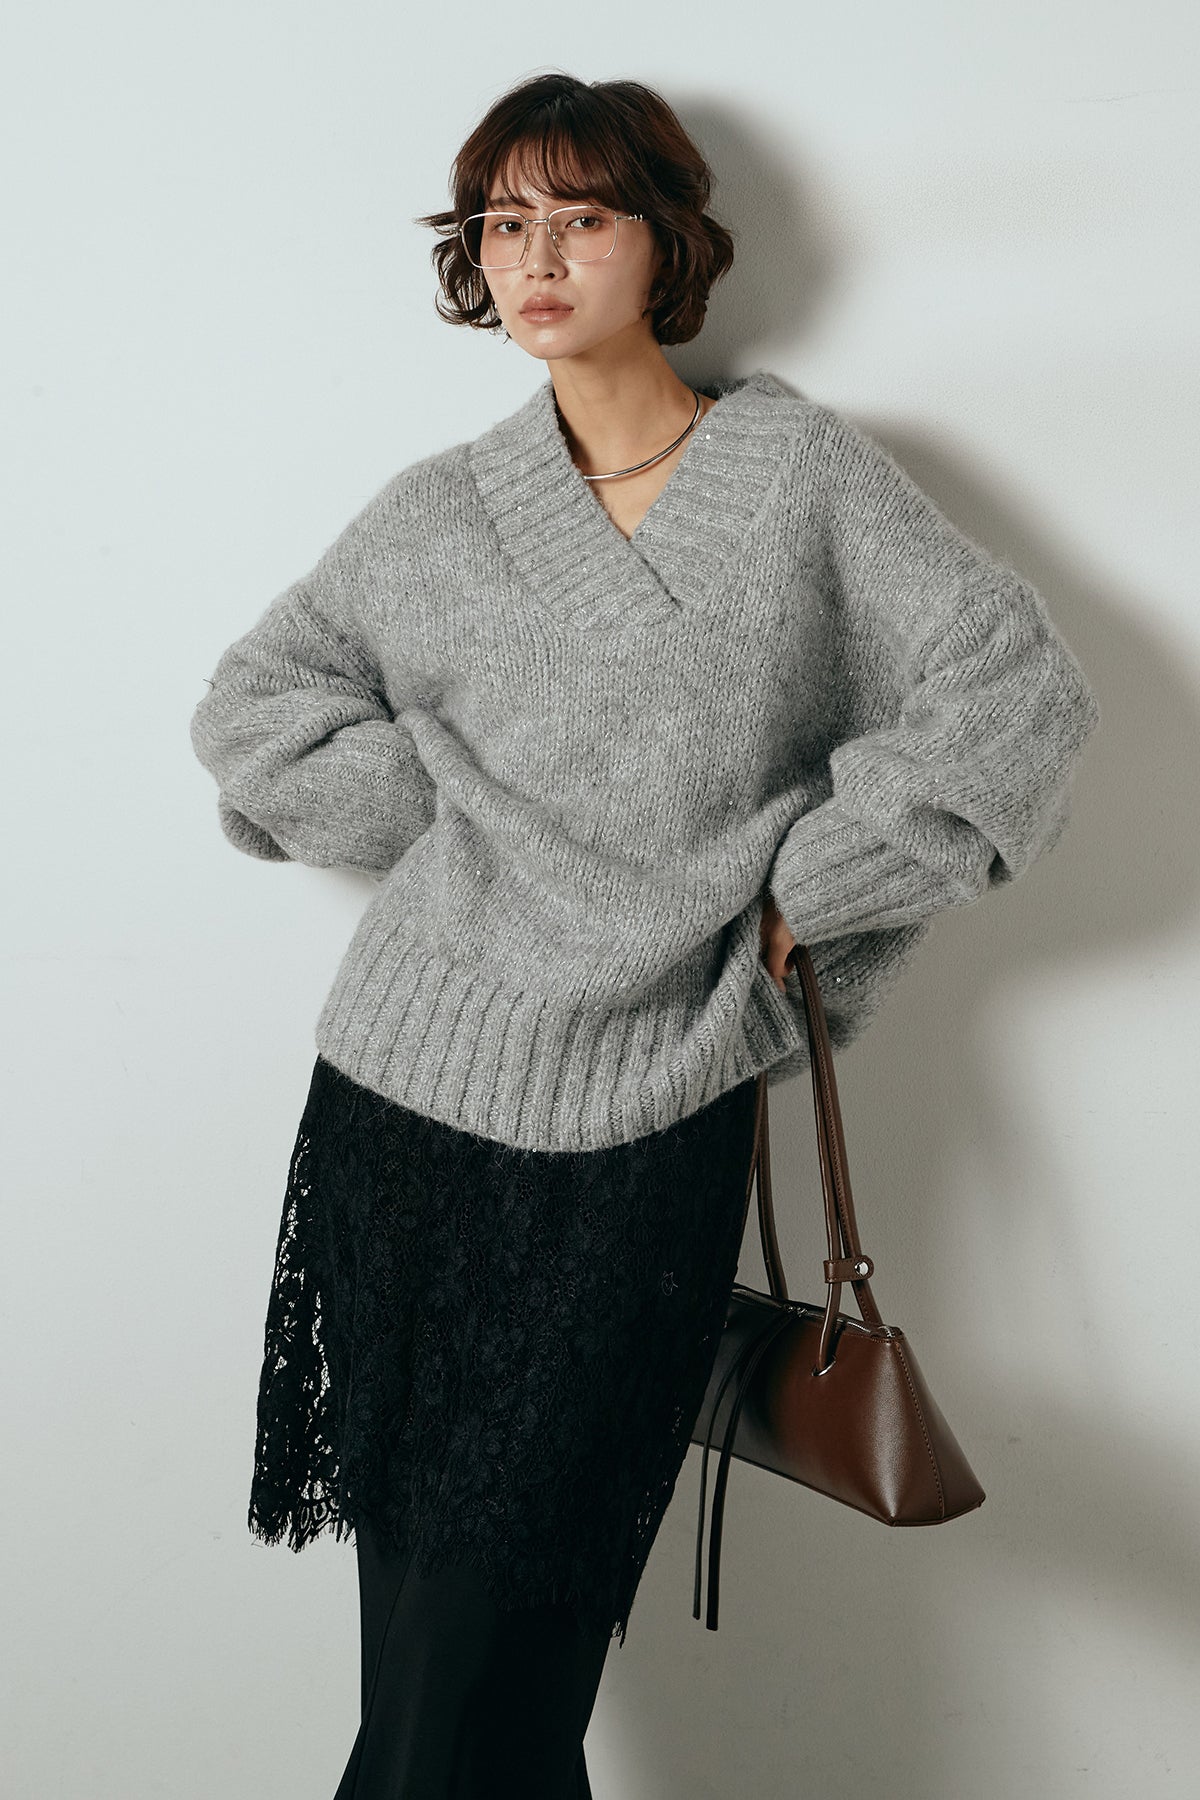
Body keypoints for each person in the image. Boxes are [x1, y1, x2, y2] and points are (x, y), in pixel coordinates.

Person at [188, 68, 1100, 1800]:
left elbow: (1016, 699)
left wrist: (812, 887)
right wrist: (449, 831)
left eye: (581, 218)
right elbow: (255, 711)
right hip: (408, 1113)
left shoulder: (800, 478)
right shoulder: (441, 512)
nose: (535, 259)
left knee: (497, 1660)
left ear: (665, 241)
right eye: (502, 224)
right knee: (440, 1667)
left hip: (651, 1122)